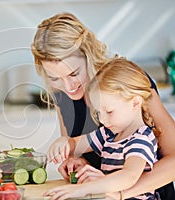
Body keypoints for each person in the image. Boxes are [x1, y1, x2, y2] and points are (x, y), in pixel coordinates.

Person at [31, 12, 175, 199]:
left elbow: (173, 158)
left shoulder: (125, 84)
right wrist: (78, 164)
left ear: (88, 55)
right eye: (54, 78)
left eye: (74, 74)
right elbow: (77, 148)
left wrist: (120, 192)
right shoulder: (62, 96)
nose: (68, 87)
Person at [45, 58, 159, 199]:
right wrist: (64, 142)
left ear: (135, 103)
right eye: (98, 113)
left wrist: (84, 189)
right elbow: (77, 143)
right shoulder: (108, 134)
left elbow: (129, 176)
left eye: (109, 112)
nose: (103, 120)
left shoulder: (141, 138)